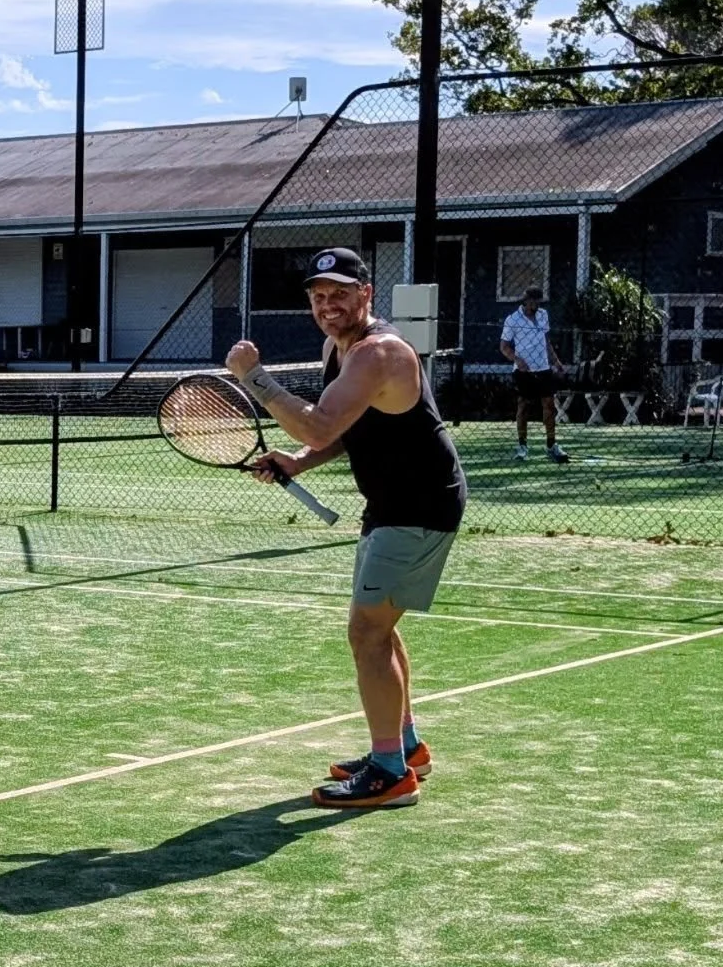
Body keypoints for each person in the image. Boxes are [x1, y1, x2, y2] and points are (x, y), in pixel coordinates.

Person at [225, 247, 467, 809]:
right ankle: (405, 748)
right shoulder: (341, 350)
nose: (328, 305)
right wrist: (298, 462)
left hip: (418, 506)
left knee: (368, 633)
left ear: (366, 295)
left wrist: (253, 378)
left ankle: (390, 773)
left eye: (339, 293)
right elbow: (344, 431)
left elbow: (320, 420)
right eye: (318, 296)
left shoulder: (378, 352)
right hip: (392, 504)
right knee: (381, 627)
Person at [500, 286, 570, 463]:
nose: (536, 305)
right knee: (523, 406)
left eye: (539, 301)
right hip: (524, 371)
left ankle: (551, 445)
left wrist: (556, 362)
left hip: (543, 368)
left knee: (549, 405)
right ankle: (522, 446)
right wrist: (517, 360)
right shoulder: (512, 319)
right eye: (533, 301)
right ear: (526, 301)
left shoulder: (543, 315)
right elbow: (504, 346)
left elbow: (546, 342)